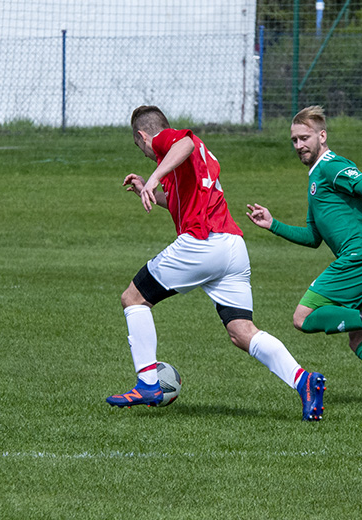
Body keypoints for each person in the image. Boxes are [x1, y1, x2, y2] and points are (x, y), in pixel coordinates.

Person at [106, 105, 326, 421]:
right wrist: (148, 188)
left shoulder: (168, 143)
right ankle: (304, 381)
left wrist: (154, 176)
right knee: (241, 331)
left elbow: (186, 142)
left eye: (140, 145)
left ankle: (148, 382)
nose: (145, 152)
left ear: (143, 136)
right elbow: (181, 204)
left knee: (133, 298)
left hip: (202, 242)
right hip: (231, 248)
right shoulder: (186, 166)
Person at [246, 105, 362, 409]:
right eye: (294, 140)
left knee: (303, 317)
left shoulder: (331, 166)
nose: (299, 145)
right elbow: (314, 238)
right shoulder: (316, 180)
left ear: (322, 136)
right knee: (359, 336)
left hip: (361, 257)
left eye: (305, 138)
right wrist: (272, 224)